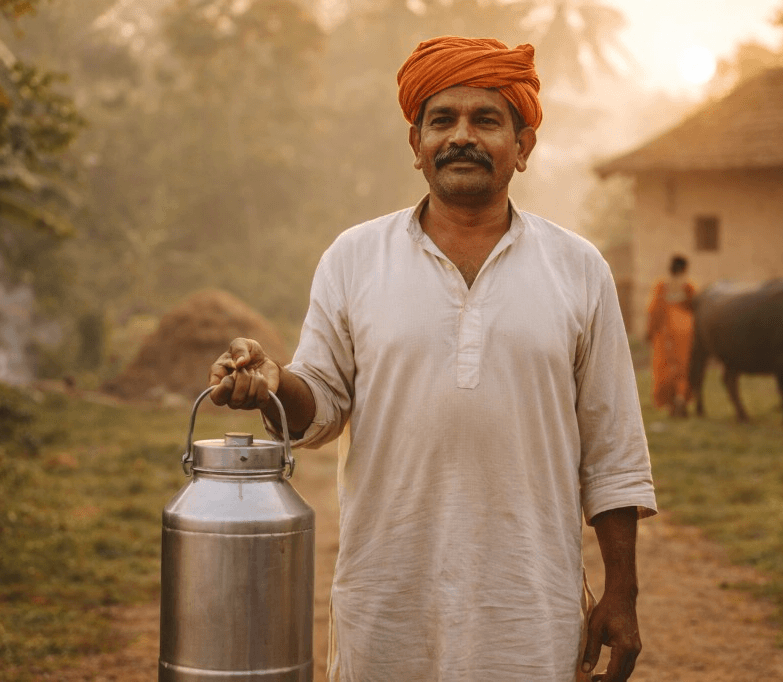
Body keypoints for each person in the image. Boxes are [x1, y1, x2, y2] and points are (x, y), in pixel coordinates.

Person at [208, 36, 657, 682]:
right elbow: (319, 405)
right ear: (415, 147)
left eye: (486, 120)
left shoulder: (579, 270)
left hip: (530, 605)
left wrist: (623, 592)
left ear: (523, 148)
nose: (461, 136)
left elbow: (613, 448)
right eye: (441, 120)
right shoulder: (354, 258)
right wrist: (272, 382)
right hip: (388, 602)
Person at [646, 255, 696, 417]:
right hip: (685, 332)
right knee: (684, 367)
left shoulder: (662, 286)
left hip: (666, 332)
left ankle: (670, 404)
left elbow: (655, 310)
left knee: (666, 367)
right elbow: (694, 307)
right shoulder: (688, 287)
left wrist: (649, 331)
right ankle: (682, 399)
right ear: (684, 269)